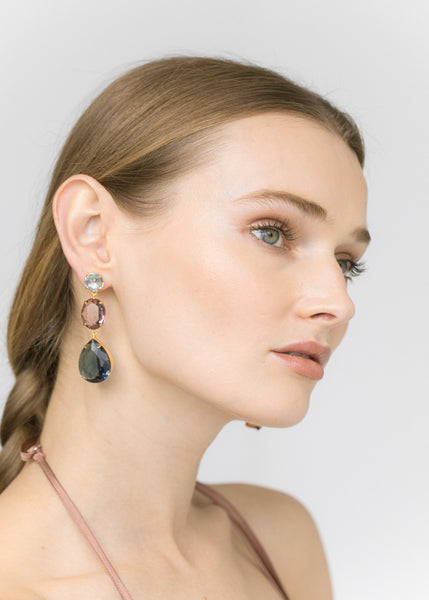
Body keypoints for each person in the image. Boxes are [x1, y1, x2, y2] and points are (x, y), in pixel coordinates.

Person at [0, 55, 370, 599]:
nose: (338, 303)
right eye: (271, 232)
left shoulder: (281, 541)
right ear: (93, 233)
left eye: (345, 263)